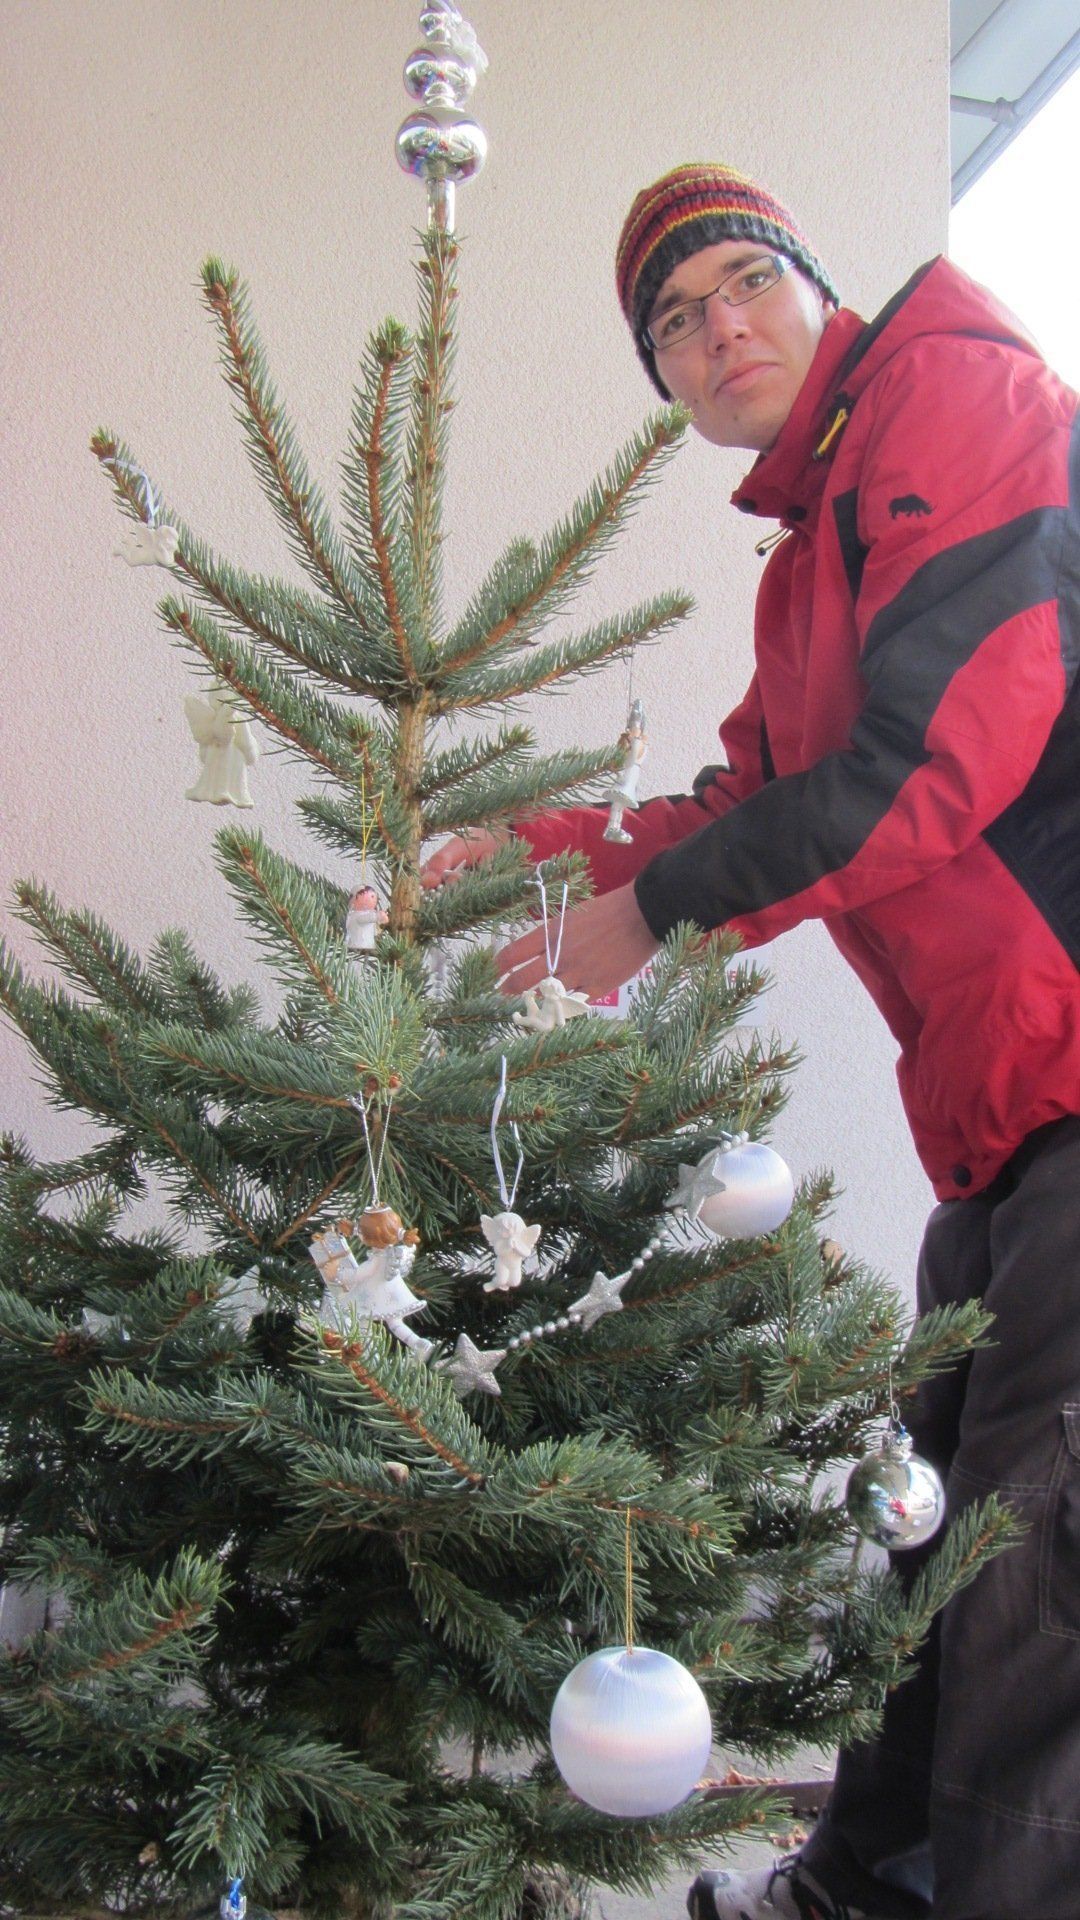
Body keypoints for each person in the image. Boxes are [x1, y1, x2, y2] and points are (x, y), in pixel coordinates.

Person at [421, 162, 1080, 1920]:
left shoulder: (956, 396)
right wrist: (543, 849)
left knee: (1037, 1593)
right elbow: (752, 797)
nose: (716, 330)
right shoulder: (810, 563)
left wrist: (646, 916)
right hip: (1007, 1118)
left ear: (814, 286)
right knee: (932, 1540)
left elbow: (925, 765)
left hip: (1073, 1081)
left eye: (742, 282)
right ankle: (856, 1888)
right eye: (673, 322)